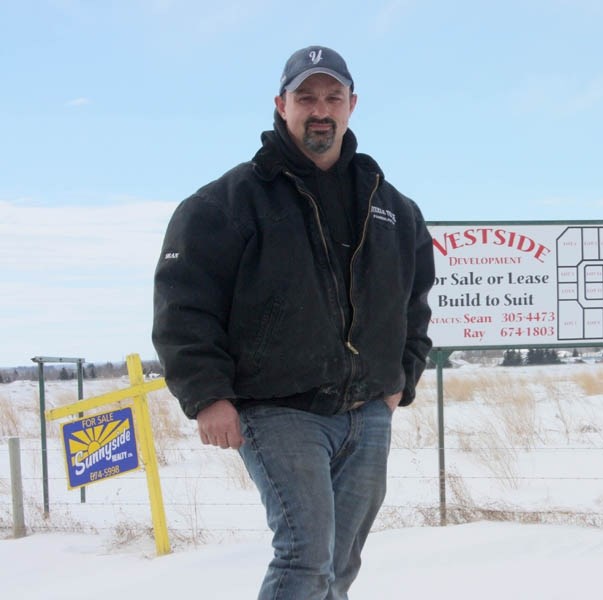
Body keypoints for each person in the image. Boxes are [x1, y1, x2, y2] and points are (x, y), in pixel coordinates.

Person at [152, 45, 435, 599]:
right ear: (281, 105)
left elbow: (414, 298)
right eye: (306, 97)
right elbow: (183, 303)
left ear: (352, 104)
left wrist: (400, 378)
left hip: (367, 412)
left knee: (340, 563)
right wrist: (208, 395)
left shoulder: (391, 207)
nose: (320, 109)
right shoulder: (227, 203)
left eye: (333, 97)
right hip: (277, 410)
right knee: (306, 557)